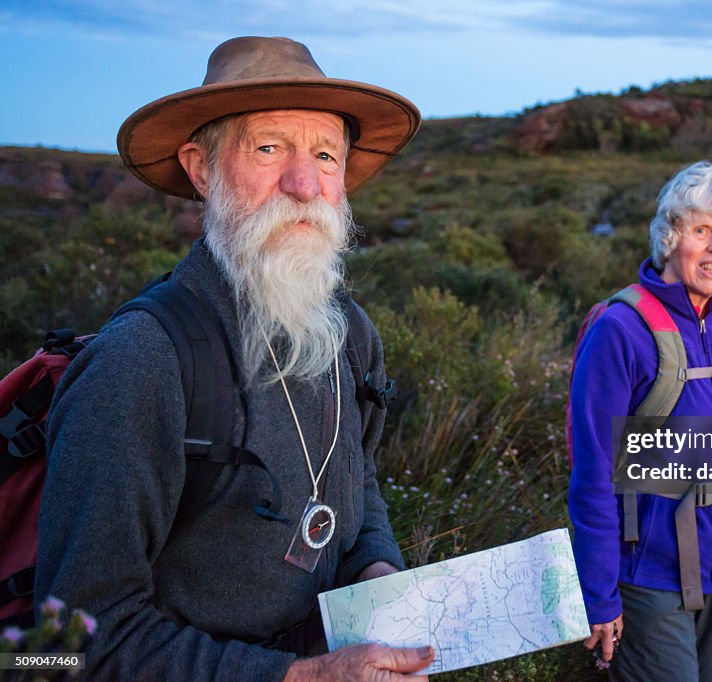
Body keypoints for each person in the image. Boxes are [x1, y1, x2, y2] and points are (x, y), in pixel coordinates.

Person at [35, 36, 434, 681]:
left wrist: (376, 571)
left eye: (327, 154)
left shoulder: (346, 333)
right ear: (200, 168)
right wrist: (297, 677)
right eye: (269, 148)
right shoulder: (140, 364)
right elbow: (63, 647)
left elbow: (353, 487)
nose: (305, 184)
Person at [568, 161, 712, 681]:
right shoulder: (621, 329)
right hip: (647, 582)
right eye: (701, 230)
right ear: (670, 235)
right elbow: (592, 474)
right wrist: (599, 594)